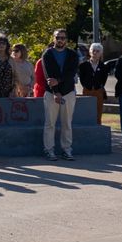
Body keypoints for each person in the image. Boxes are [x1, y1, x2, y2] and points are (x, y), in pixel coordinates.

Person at [40, 29, 80, 160]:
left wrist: (59, 80)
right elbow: (48, 75)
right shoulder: (47, 54)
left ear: (66, 40)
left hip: (68, 92)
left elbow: (71, 73)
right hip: (51, 92)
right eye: (58, 37)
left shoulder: (72, 55)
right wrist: (55, 92)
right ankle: (49, 150)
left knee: (66, 123)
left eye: (63, 38)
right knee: (50, 123)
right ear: (54, 39)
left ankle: (66, 150)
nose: (60, 40)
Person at [78, 42, 112, 131]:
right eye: (93, 50)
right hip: (87, 90)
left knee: (98, 111)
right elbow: (82, 79)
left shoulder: (104, 66)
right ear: (90, 52)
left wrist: (97, 86)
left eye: (97, 51)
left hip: (98, 91)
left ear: (101, 53)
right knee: (86, 111)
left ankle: (97, 129)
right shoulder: (83, 65)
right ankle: (86, 129)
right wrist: (87, 86)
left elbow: (104, 79)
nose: (95, 53)